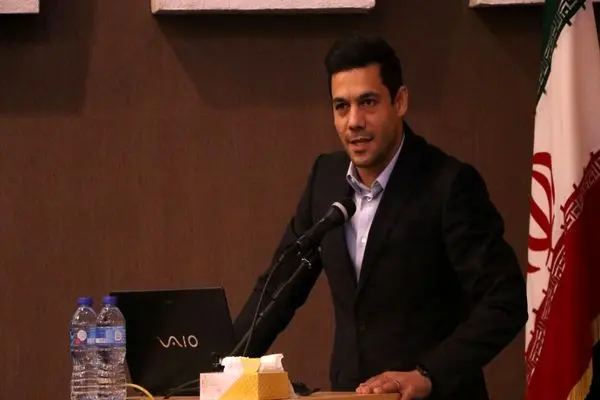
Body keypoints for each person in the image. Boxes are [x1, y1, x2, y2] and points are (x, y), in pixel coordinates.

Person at [233, 33, 528, 400]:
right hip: (350, 396)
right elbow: (280, 287)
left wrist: (427, 374)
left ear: (399, 101)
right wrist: (218, 366)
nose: (354, 121)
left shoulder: (449, 185)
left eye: (368, 102)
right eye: (341, 107)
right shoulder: (325, 178)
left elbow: (505, 300)